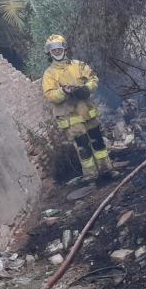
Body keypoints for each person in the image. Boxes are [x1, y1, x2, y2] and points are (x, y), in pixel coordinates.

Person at [41, 34, 116, 181]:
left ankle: (107, 170)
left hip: (87, 113)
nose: (56, 52)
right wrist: (64, 91)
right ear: (49, 53)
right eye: (52, 50)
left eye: (58, 48)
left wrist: (86, 88)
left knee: (98, 142)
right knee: (84, 148)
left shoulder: (79, 65)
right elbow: (50, 95)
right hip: (71, 118)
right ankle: (92, 177)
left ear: (64, 48)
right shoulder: (49, 74)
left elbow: (94, 79)